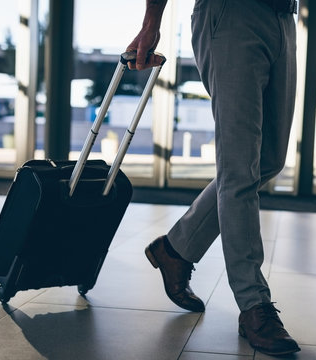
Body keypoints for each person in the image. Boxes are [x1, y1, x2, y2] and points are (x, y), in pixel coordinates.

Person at [127, 0, 300, 356]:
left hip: (284, 19)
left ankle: (175, 249)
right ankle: (254, 305)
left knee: (268, 161)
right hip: (231, 14)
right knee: (239, 169)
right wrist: (151, 22)